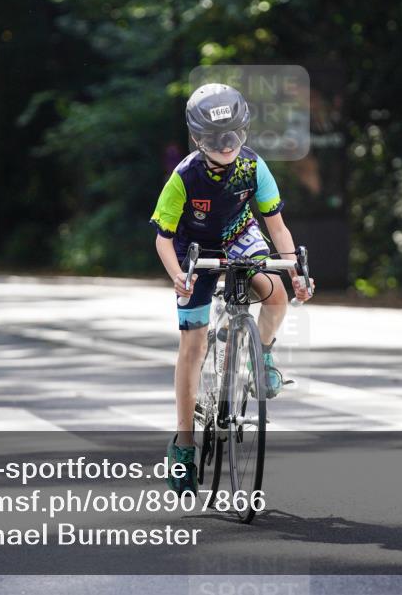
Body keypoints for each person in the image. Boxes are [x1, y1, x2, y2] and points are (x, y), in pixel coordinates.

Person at [149, 83, 315, 495]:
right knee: (193, 345)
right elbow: (163, 238)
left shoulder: (255, 168)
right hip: (194, 247)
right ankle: (184, 446)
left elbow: (276, 226)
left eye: (234, 136)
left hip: (239, 236)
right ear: (198, 139)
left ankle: (264, 356)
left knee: (276, 294)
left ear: (245, 132)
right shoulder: (184, 177)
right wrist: (177, 275)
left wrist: (295, 272)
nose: (226, 146)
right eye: (214, 139)